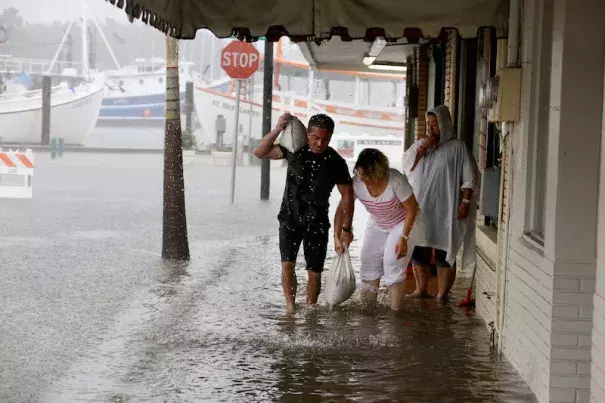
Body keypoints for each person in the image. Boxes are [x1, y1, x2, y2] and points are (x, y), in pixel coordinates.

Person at [253, 113, 355, 313]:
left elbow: (347, 197)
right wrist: (277, 130)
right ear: (308, 134)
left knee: (314, 273)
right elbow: (259, 152)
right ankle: (290, 308)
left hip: (317, 223)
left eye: (326, 139)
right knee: (287, 265)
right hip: (289, 218)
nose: (320, 143)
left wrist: (346, 228)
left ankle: (310, 309)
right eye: (316, 138)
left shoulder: (335, 161)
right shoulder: (294, 149)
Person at [402, 105, 479, 301]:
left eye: (435, 124)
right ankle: (421, 289)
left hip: (448, 209)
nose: (431, 128)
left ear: (445, 124)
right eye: (428, 124)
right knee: (419, 248)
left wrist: (465, 201)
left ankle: (443, 293)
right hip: (423, 208)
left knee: (445, 249)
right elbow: (407, 165)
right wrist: (423, 147)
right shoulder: (421, 145)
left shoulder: (458, 147)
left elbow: (469, 176)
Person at [334, 148, 419, 311]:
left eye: (367, 177)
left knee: (392, 262)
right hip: (378, 222)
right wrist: (337, 235)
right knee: (367, 262)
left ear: (379, 172)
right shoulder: (357, 182)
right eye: (360, 174)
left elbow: (412, 209)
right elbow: (342, 208)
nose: (363, 180)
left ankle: (395, 313)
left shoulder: (395, 180)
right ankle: (368, 310)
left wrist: (404, 238)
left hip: (402, 223)